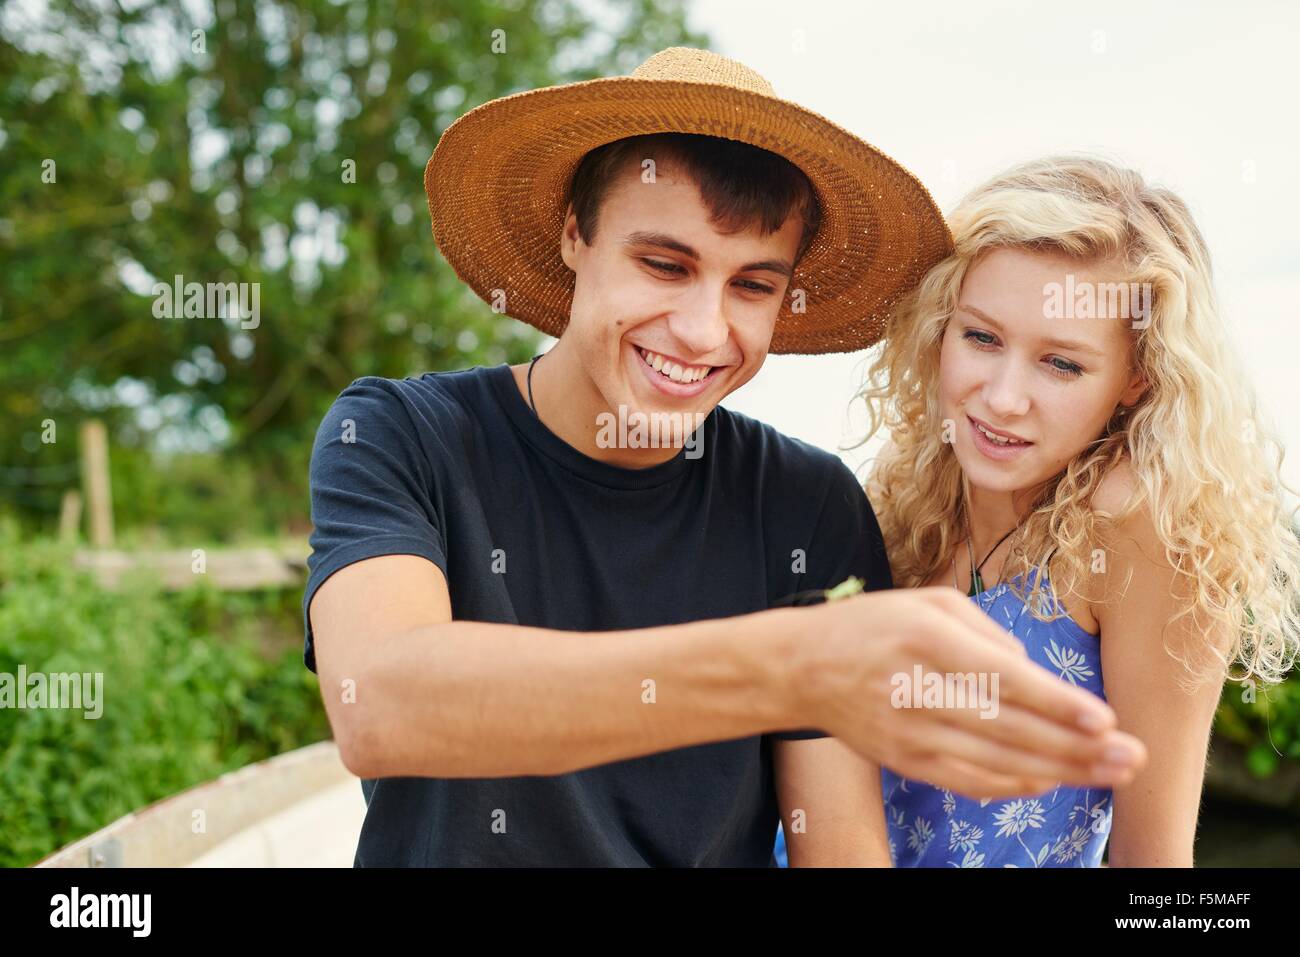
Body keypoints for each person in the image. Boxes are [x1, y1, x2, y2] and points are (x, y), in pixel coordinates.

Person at [303, 49, 1145, 867]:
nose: (706, 331)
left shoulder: (806, 502)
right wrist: (791, 665)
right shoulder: (400, 434)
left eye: (753, 285)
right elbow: (377, 705)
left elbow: (839, 847)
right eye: (665, 264)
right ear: (574, 236)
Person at [852, 155, 1300, 867]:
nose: (1003, 396)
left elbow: (1152, 865)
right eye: (981, 337)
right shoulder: (907, 494)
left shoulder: (1137, 523)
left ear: (1136, 379)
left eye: (1061, 363)